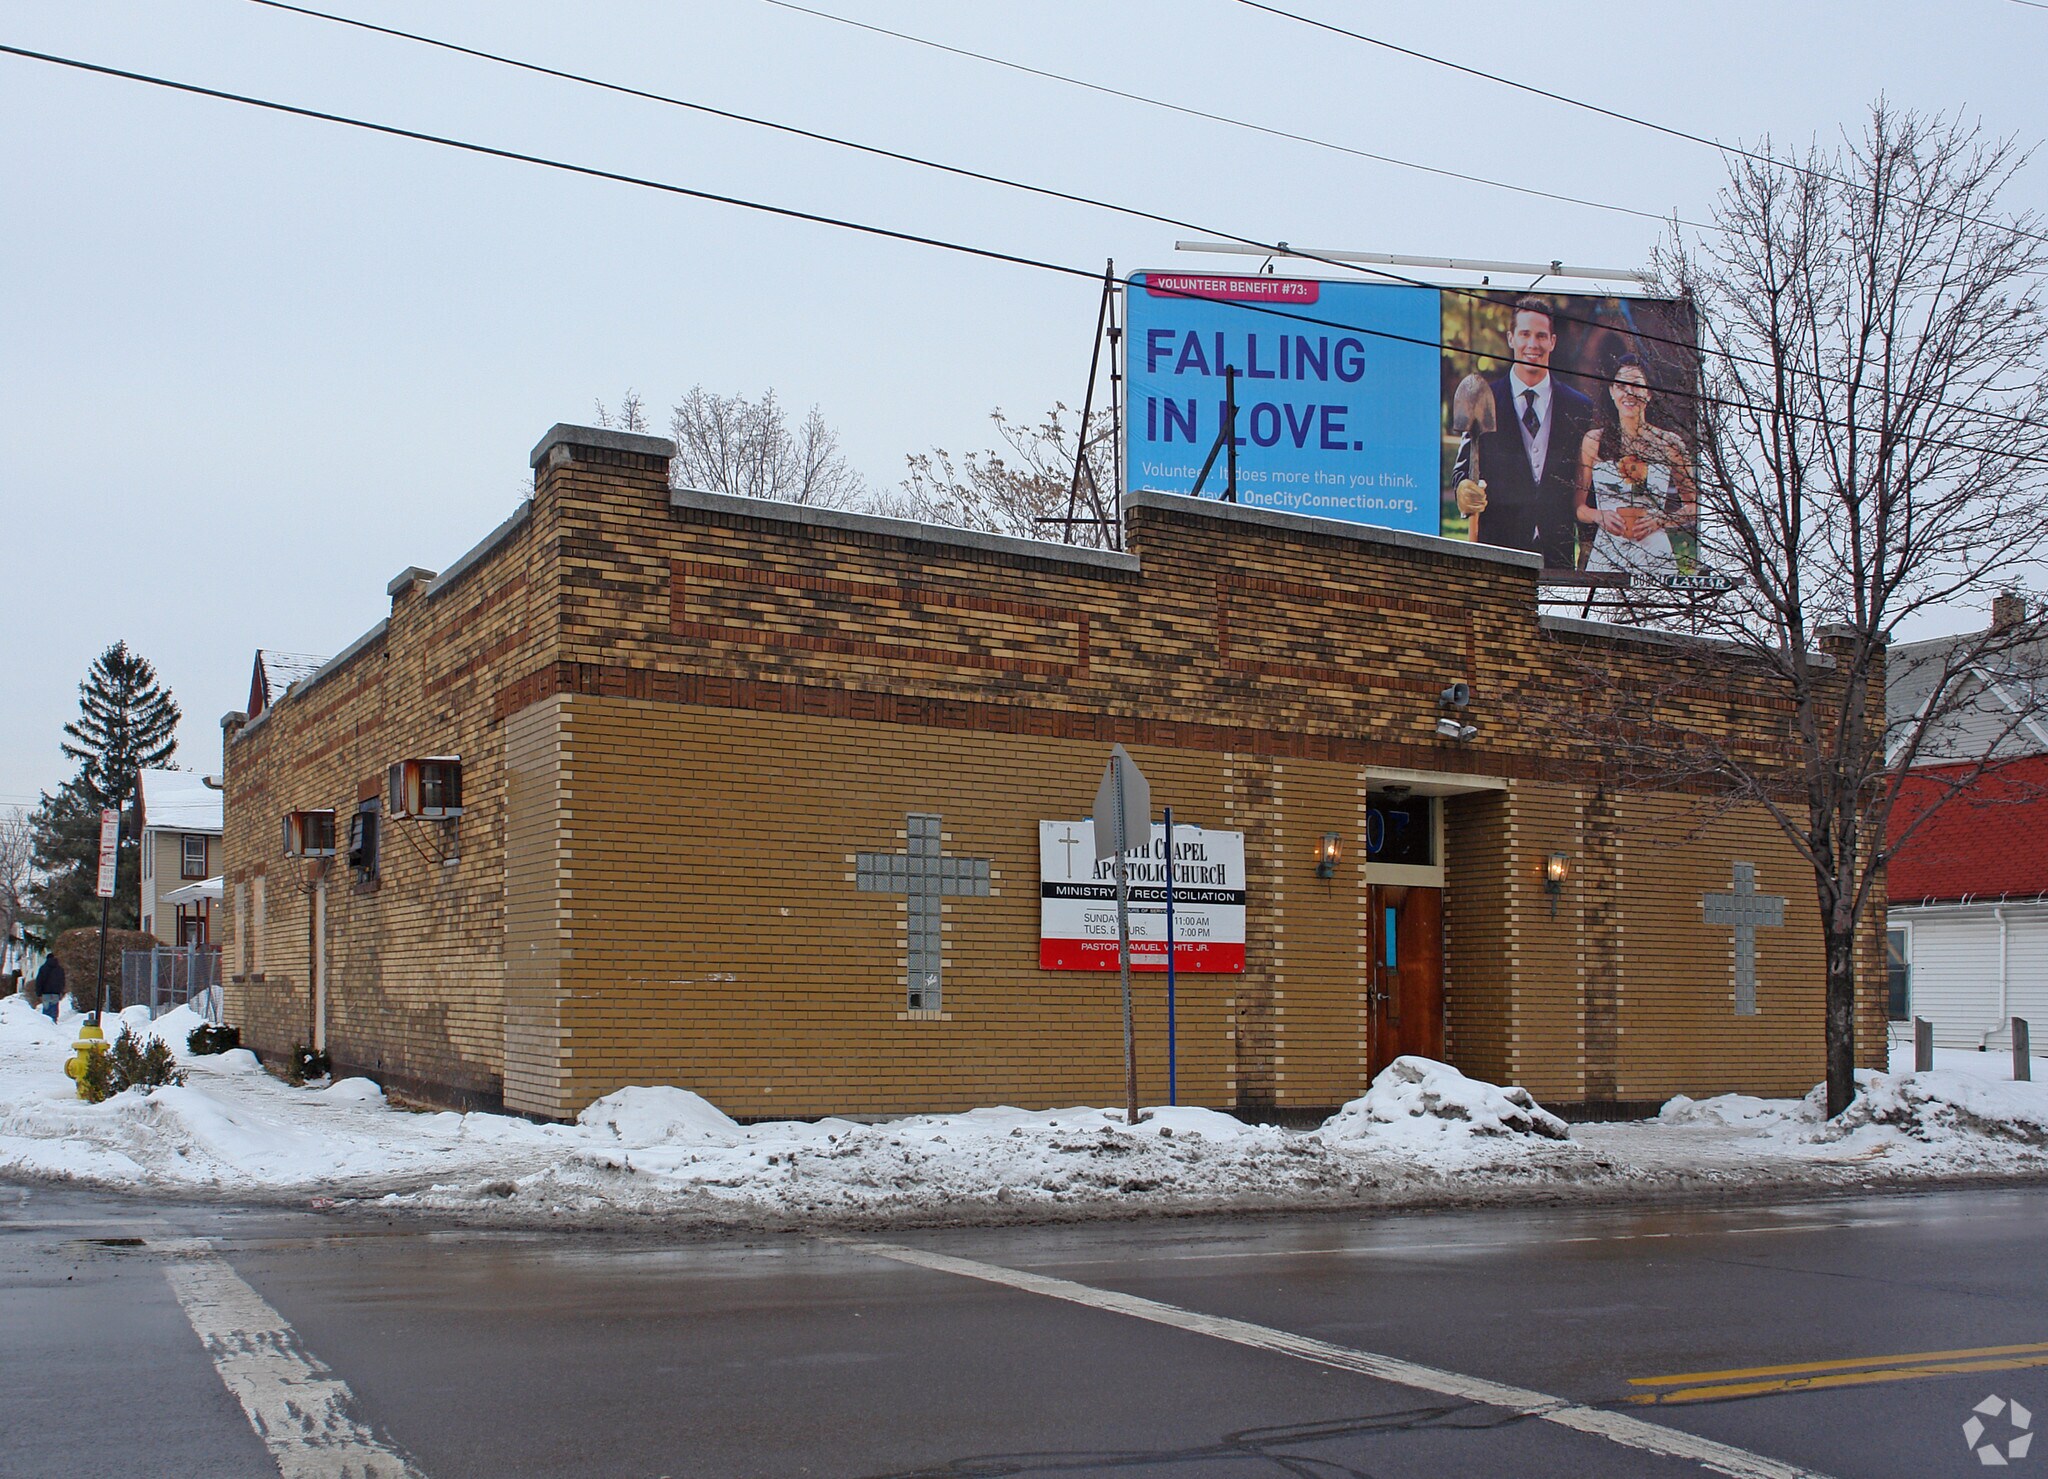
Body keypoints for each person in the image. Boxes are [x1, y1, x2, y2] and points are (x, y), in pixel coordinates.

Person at [1457, 297, 1598, 568]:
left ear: (1553, 342)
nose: (1532, 344)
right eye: (1524, 334)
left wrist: (1588, 549)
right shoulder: (1483, 398)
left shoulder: (1579, 407)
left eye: (1541, 336)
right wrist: (1463, 487)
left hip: (1558, 555)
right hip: (1496, 552)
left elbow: (1585, 484)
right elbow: (1464, 469)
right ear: (1511, 338)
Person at [1574, 356, 1697, 578]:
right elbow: (1579, 508)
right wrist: (1599, 515)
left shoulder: (1669, 442)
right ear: (1612, 391)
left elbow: (1694, 506)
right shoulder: (1594, 440)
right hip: (1607, 555)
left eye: (1637, 386)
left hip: (1655, 555)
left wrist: (1661, 519)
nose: (1629, 394)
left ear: (1648, 393)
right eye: (1621, 386)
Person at [34, 953, 65, 1024]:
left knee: (46, 1009)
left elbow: (39, 981)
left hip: (45, 993)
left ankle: (47, 1024)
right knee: (54, 1008)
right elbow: (62, 981)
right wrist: (61, 991)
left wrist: (39, 993)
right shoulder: (60, 969)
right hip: (56, 993)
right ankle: (53, 1022)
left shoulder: (43, 968)